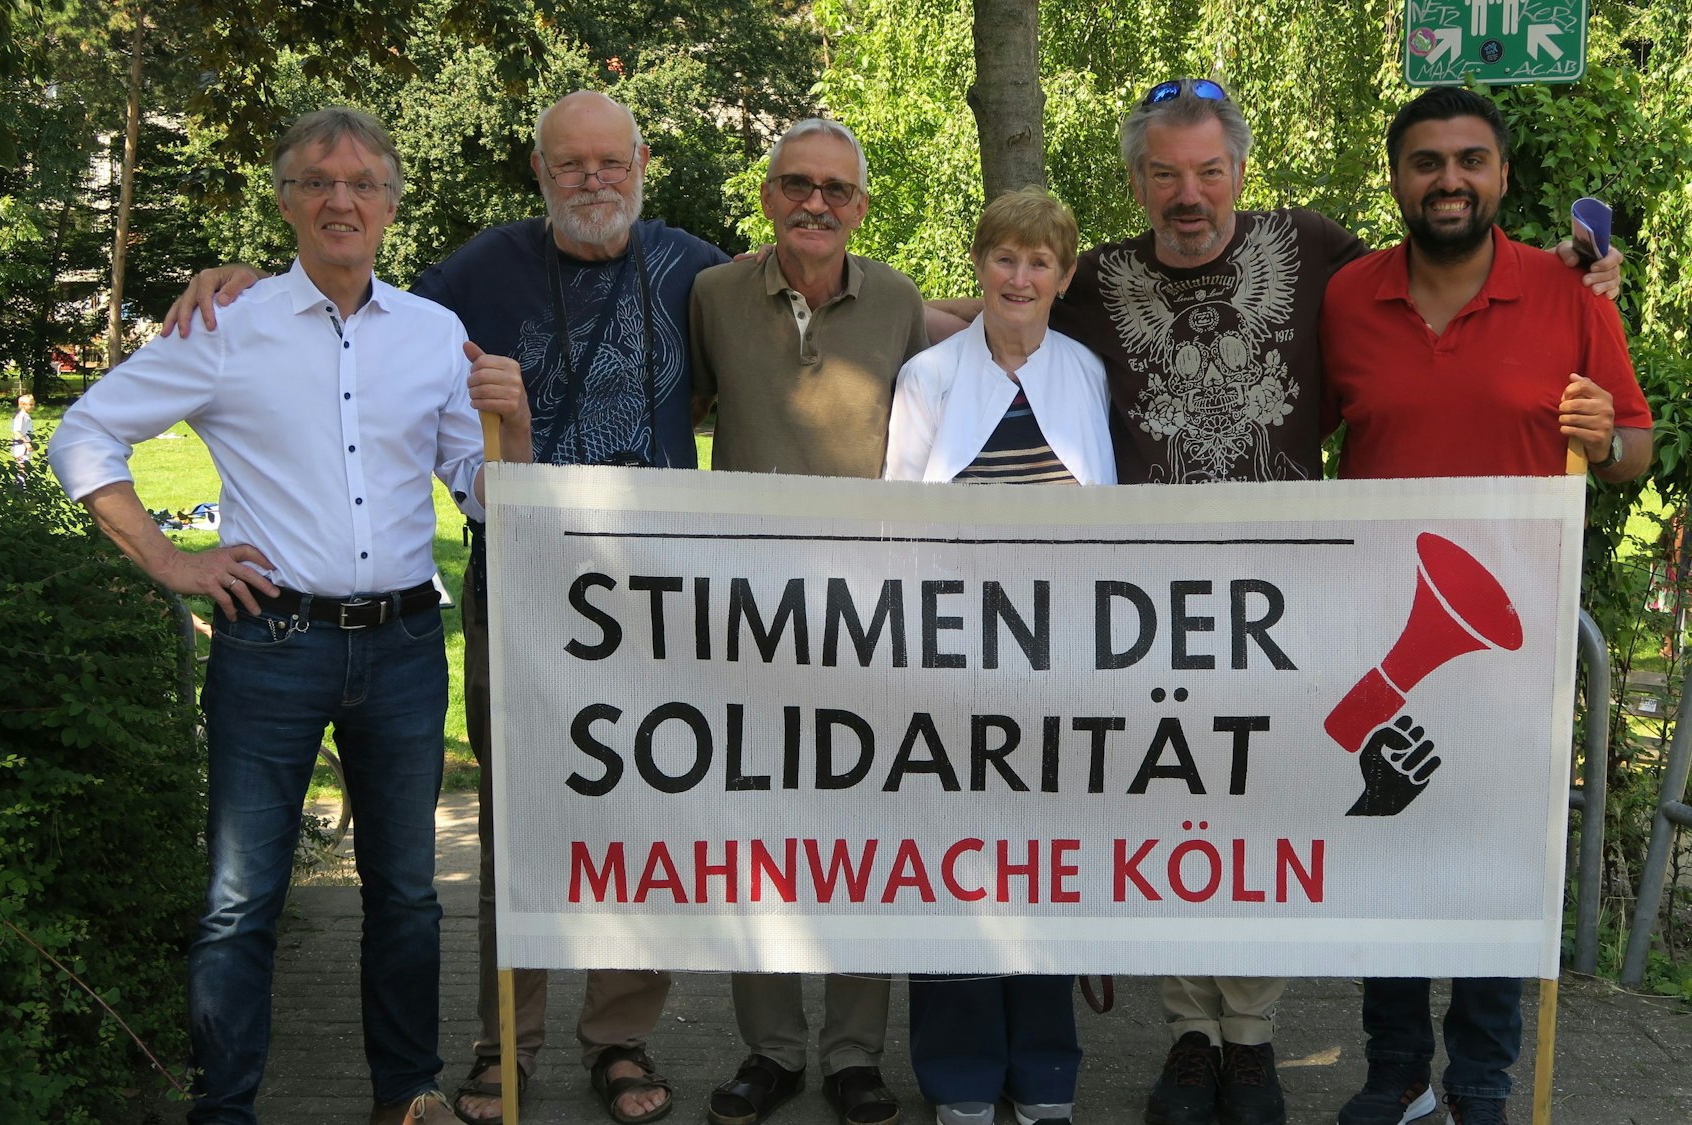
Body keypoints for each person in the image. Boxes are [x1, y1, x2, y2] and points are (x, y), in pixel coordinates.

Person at [925, 78, 1623, 1125]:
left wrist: (1571, 271)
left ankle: (1249, 1040)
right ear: (1136, 183)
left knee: (1263, 817)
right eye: (1164, 174)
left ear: (1239, 174)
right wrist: (871, 303)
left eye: (1208, 171)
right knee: (1171, 815)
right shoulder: (1093, 278)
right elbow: (994, 305)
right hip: (1147, 609)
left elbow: (1440, 260)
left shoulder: (1313, 252)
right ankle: (1188, 1037)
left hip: (1290, 601)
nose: (1187, 193)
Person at [162, 90, 727, 1125]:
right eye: (570, 165)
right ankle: (500, 1046)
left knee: (643, 811)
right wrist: (242, 284)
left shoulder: (697, 271)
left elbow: (822, 303)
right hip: (518, 591)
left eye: (611, 162)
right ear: (538, 170)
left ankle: (621, 1038)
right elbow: (346, 302)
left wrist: (998, 313)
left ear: (642, 162)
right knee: (520, 818)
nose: (593, 180)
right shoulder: (473, 274)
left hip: (657, 596)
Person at [48, 106, 532, 1125]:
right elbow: (84, 436)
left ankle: (407, 1094)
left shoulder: (433, 334)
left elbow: (486, 498)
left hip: (403, 647)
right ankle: (223, 1109)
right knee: (239, 901)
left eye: (363, 182)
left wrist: (515, 429)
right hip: (270, 643)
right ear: (286, 201)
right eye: (318, 181)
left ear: (392, 205)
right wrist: (171, 559)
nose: (341, 199)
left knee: (405, 896)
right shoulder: (226, 326)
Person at [1318, 86, 1652, 1125]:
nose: (1448, 180)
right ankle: (1393, 1072)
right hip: (1378, 616)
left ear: (1501, 177)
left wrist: (1605, 439)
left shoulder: (1572, 298)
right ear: (1396, 179)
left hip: (1517, 635)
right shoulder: (1344, 298)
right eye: (1426, 162)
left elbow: (1635, 456)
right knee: (1390, 840)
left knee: (1494, 862)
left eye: (1469, 161)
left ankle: (1477, 1084)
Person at [687, 117, 930, 1125]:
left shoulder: (902, 303)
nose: (814, 203)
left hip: (870, 621)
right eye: (795, 184)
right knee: (757, 836)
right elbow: (679, 408)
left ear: (861, 207)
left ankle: (854, 1054)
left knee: (864, 837)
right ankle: (773, 1050)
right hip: (744, 618)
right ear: (766, 196)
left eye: (835, 188)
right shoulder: (708, 297)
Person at [882, 187, 1108, 1125]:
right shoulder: (929, 377)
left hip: (1061, 670)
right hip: (952, 670)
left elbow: (1114, 528)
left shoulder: (1086, 372)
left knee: (1048, 872)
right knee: (955, 876)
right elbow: (895, 528)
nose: (1020, 277)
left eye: (1040, 262)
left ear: (1062, 275)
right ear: (980, 265)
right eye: (1004, 258)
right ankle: (962, 1077)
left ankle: (1045, 1070)